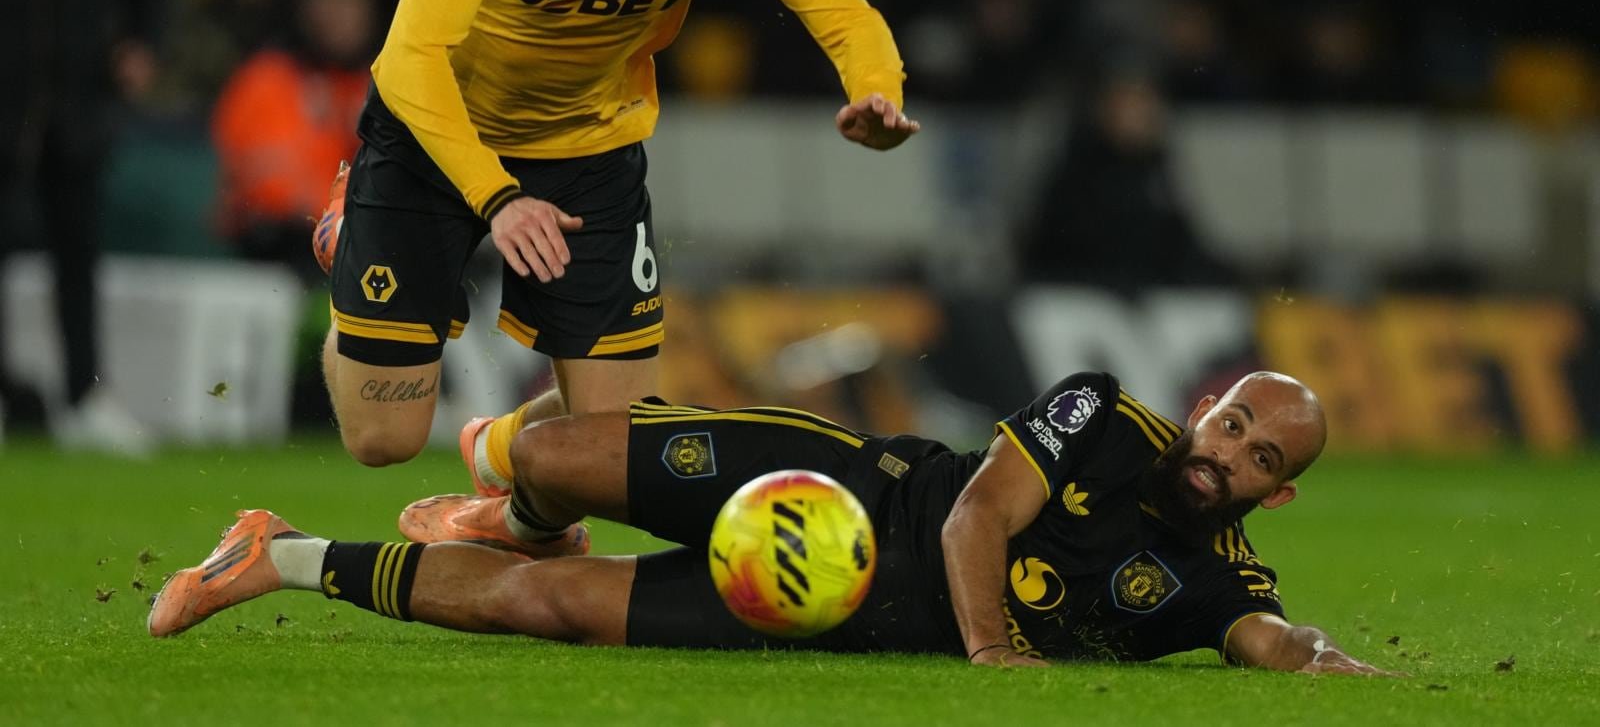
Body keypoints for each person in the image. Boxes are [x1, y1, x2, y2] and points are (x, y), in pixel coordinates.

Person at [311, 0, 917, 496]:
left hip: (589, 149)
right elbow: (410, 60)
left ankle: (494, 465)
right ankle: (351, 247)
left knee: (608, 443)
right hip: (439, 137)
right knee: (383, 438)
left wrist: (875, 89)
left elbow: (841, 7)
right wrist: (497, 198)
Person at [149, 370, 1394, 675]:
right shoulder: (1107, 414)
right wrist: (992, 652)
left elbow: (1267, 635)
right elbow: (975, 519)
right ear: (1206, 405)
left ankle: (280, 553)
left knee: (556, 611)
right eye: (1231, 422)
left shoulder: (1214, 567)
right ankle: (519, 501)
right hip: (849, 492)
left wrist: (1326, 658)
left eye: (1257, 458)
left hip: (842, 606)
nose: (1224, 454)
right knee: (555, 448)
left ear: (1273, 490)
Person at [0, 0, 171, 451]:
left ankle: (82, 396)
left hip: (75, 95)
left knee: (77, 254)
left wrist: (143, 44)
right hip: (6, 91)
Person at [211, 0, 375, 276]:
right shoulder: (266, 78)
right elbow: (249, 185)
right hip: (272, 254)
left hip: (356, 255)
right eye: (329, 2)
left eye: (349, 4)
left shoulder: (380, 86)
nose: (337, 17)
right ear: (306, 7)